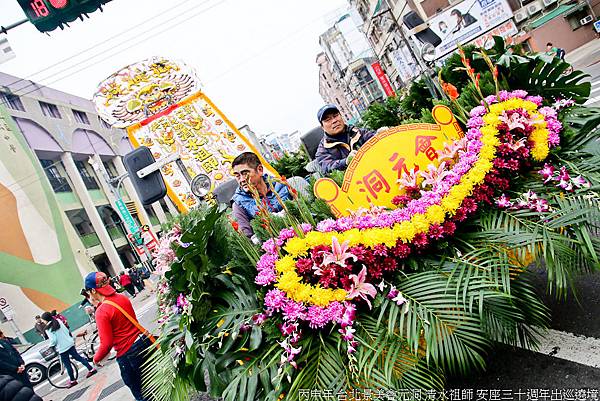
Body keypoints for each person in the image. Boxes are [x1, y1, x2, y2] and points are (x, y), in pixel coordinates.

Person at [84, 271, 151, 401]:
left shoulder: (101, 311)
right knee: (154, 383)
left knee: (142, 393)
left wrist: (96, 359)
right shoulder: (121, 297)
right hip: (143, 342)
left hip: (128, 353)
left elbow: (106, 344)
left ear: (92, 291)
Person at [231, 152, 291, 239]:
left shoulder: (281, 185)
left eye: (245, 174)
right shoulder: (238, 204)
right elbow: (248, 238)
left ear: (260, 170)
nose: (242, 180)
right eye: (237, 176)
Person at [40, 311, 97, 388]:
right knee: (78, 357)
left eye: (42, 320)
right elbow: (67, 330)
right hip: (69, 343)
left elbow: (53, 340)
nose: (42, 321)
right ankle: (91, 369)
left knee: (67, 364)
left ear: (45, 320)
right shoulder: (58, 321)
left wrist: (50, 346)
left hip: (62, 348)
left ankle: (73, 381)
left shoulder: (48, 329)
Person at [314, 104, 376, 174]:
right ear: (322, 127)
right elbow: (328, 168)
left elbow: (373, 138)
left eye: (336, 116)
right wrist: (345, 162)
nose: (334, 121)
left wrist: (381, 135)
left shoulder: (357, 132)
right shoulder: (322, 150)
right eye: (328, 120)